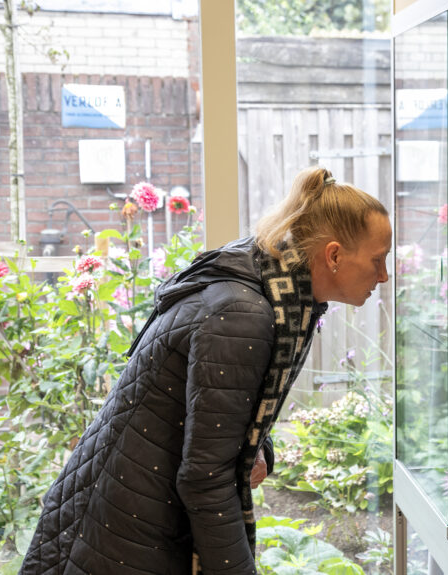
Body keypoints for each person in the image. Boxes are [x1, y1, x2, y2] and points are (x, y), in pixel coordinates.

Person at [21, 167, 392, 575]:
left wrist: (257, 449)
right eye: (377, 259)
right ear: (334, 255)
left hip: (127, 513)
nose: (384, 275)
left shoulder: (266, 284)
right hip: (122, 536)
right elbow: (205, 479)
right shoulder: (243, 314)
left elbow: (220, 416)